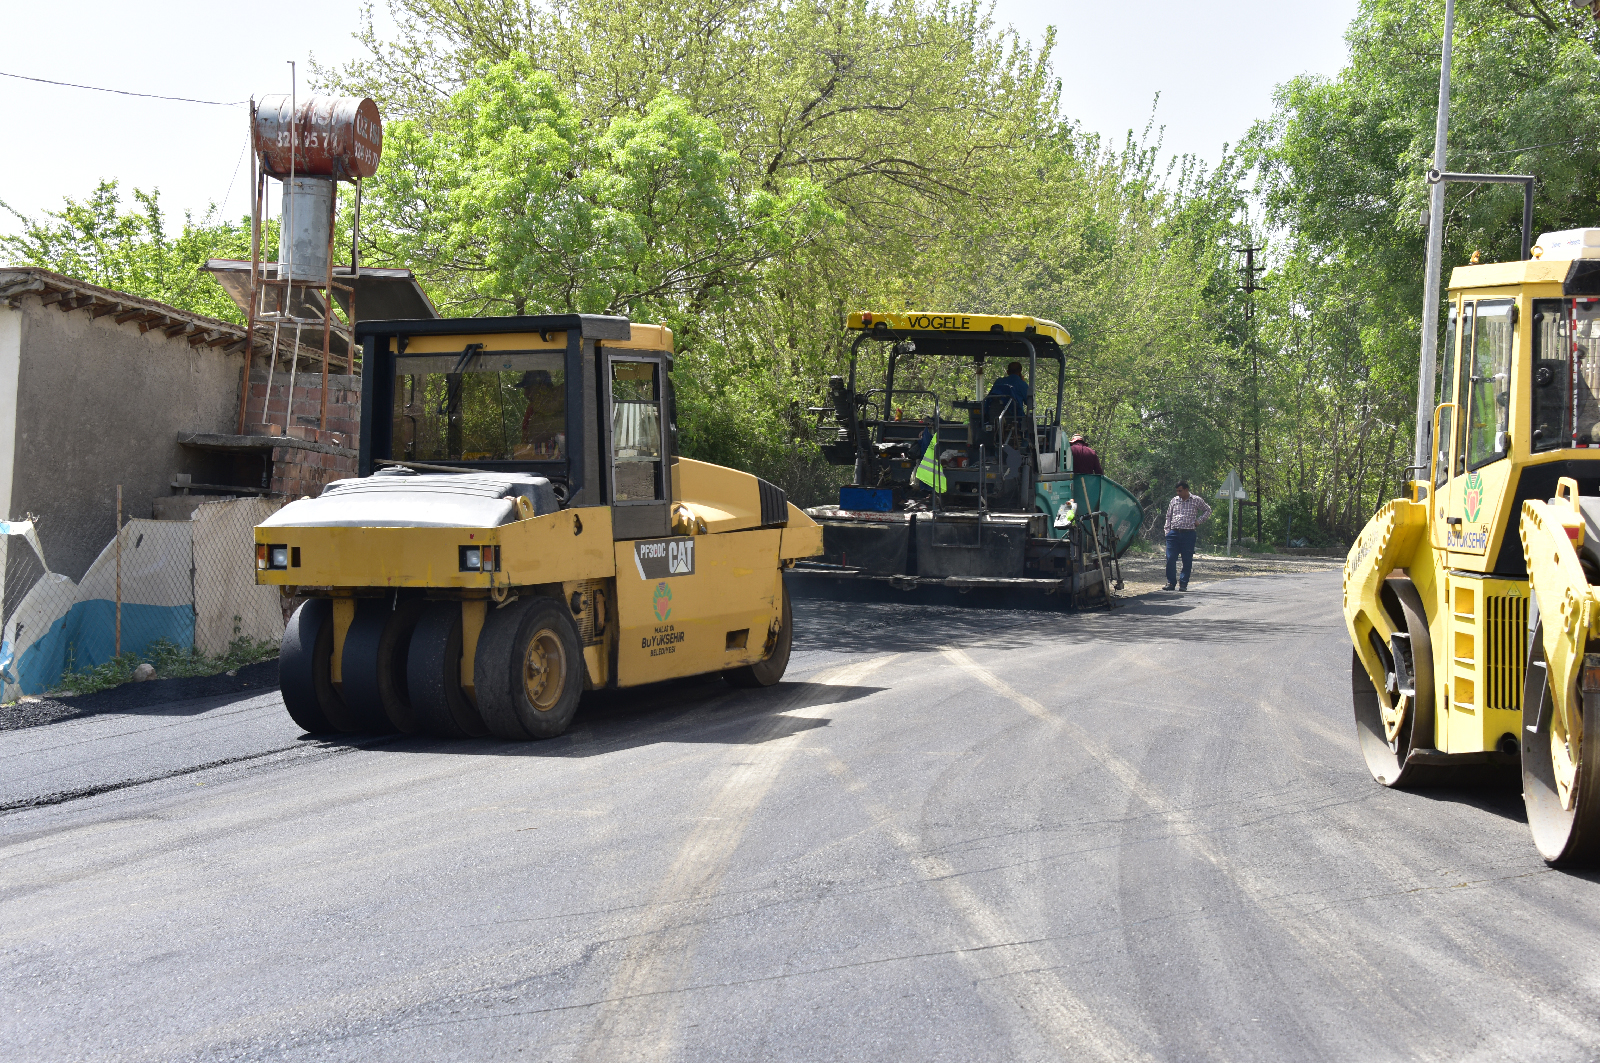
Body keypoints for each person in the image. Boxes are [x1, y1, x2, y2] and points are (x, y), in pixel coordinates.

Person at [1163, 480, 1212, 591]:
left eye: (1180, 491)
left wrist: (1199, 521)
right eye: (1177, 491)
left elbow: (1208, 510)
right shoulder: (1174, 500)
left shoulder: (1196, 500)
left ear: (1186, 490)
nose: (1178, 493)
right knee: (1170, 558)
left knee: (1187, 559)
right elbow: (1168, 516)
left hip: (1188, 534)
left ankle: (1183, 583)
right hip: (1173, 533)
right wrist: (1167, 531)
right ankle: (1171, 583)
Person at [517, 370, 565, 458]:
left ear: (542, 388)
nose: (525, 394)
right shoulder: (571, 402)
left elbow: (525, 444)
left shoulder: (531, 409)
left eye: (528, 389)